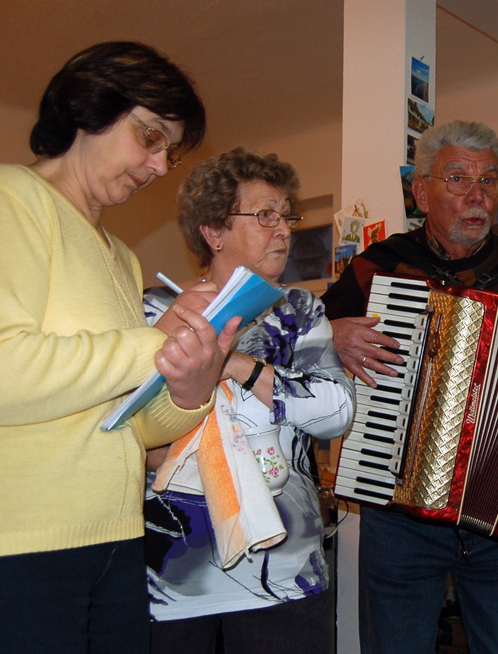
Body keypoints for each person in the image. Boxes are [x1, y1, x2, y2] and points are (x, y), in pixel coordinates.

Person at [0, 42, 234, 654]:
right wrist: (152, 343)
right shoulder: (4, 197)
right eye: (150, 136)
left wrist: (191, 385)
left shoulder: (120, 255)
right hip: (17, 547)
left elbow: (127, 425)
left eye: (169, 149)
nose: (161, 163)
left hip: (115, 539)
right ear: (89, 108)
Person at [321, 120, 498, 654]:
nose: (478, 195)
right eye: (458, 180)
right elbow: (303, 349)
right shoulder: (376, 269)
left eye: (490, 182)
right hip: (397, 513)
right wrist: (332, 333)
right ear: (421, 192)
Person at [143, 147, 355, 654]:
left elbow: (336, 411)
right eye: (265, 215)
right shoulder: (156, 310)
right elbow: (132, 424)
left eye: (287, 216)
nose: (284, 229)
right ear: (213, 232)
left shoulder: (300, 311)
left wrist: (235, 362)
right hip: (176, 577)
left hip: (286, 573)